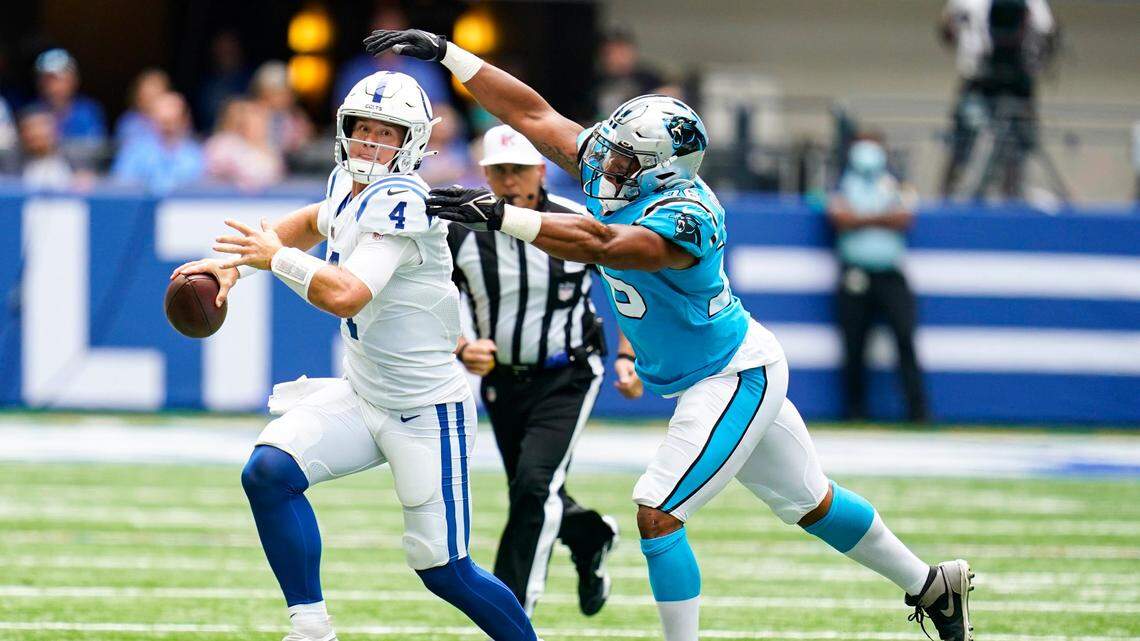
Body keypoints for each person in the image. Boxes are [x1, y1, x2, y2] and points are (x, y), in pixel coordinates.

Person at [367, 30, 976, 641]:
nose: (607, 162)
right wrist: (450, 54)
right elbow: (531, 113)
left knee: (659, 512)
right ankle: (932, 585)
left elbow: (605, 244)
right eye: (612, 149)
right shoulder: (620, 165)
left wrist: (501, 213)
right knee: (812, 504)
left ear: (662, 168)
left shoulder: (690, 214)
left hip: (732, 374)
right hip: (708, 374)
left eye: (626, 157)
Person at [171, 71, 538, 641]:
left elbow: (346, 292)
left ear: (411, 142)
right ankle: (311, 628)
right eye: (361, 129)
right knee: (268, 471)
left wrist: (275, 260)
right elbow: (313, 222)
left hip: (425, 411)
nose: (368, 144)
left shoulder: (405, 202)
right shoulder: (348, 181)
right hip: (364, 393)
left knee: (445, 571)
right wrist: (236, 266)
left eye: (384, 134)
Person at [449, 124, 637, 617]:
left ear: (539, 170)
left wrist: (627, 356)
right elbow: (421, 298)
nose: (509, 181)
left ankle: (512, 614)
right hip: (502, 380)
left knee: (534, 488)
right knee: (533, 491)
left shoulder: (576, 219)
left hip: (568, 374)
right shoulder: (459, 229)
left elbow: (634, 284)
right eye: (499, 171)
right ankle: (590, 535)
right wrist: (460, 346)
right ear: (485, 174)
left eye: (518, 170)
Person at [828, 138, 927, 422]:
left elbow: (904, 217)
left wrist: (862, 218)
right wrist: (881, 217)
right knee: (854, 344)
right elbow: (840, 218)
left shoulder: (895, 183)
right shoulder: (841, 183)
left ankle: (918, 411)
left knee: (905, 339)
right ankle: (855, 412)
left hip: (890, 275)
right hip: (855, 274)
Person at [938, 0, 1057, 198]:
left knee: (1015, 147)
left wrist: (1033, 54)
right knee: (962, 140)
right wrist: (963, 32)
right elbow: (946, 30)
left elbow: (1047, 34)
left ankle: (1011, 199)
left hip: (1017, 78)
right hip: (976, 76)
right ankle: (945, 199)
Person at [111, 92, 204, 194]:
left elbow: (201, 190)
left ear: (185, 121)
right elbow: (121, 184)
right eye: (162, 121)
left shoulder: (196, 154)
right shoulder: (134, 151)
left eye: (172, 121)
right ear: (151, 120)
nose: (167, 128)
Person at [29, 48, 106, 168]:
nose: (54, 86)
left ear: (73, 80)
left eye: (60, 79)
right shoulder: (31, 112)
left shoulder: (88, 111)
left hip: (80, 177)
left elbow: (96, 152)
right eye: (48, 79)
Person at [204, 98, 285, 191]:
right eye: (251, 121)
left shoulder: (271, 148)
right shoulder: (225, 143)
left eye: (261, 121)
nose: (257, 125)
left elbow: (276, 179)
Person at [593, 29, 668, 120]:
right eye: (613, 52)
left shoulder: (650, 79)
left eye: (623, 51)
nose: (620, 57)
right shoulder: (594, 83)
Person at [250, 61, 314, 157]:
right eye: (282, 92)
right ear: (265, 93)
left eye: (290, 92)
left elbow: (305, 145)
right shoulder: (248, 116)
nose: (290, 97)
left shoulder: (295, 118)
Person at [115, 68, 171, 147]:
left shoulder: (174, 121)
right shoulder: (129, 123)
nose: (151, 101)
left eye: (155, 94)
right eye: (147, 95)